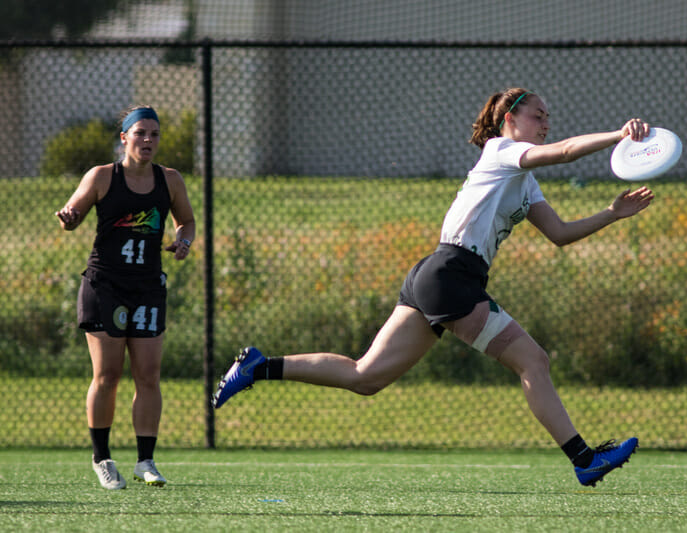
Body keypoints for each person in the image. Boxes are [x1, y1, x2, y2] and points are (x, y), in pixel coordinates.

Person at [212, 88, 654, 487]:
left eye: (547, 117)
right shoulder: (501, 151)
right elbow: (564, 152)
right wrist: (619, 135)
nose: (546, 123)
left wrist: (612, 213)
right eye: (538, 115)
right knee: (532, 360)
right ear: (509, 121)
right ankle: (583, 458)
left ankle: (258, 367)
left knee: (366, 377)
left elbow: (559, 233)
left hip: (440, 276)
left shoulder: (525, 182)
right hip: (450, 275)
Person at [55, 105, 195, 490]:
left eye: (154, 134)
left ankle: (145, 461)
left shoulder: (170, 180)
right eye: (140, 134)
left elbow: (187, 220)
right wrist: (69, 216)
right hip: (106, 286)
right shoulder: (102, 176)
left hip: (148, 287)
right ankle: (102, 458)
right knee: (108, 375)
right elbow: (75, 212)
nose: (148, 140)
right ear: (125, 138)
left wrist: (183, 240)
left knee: (148, 375)